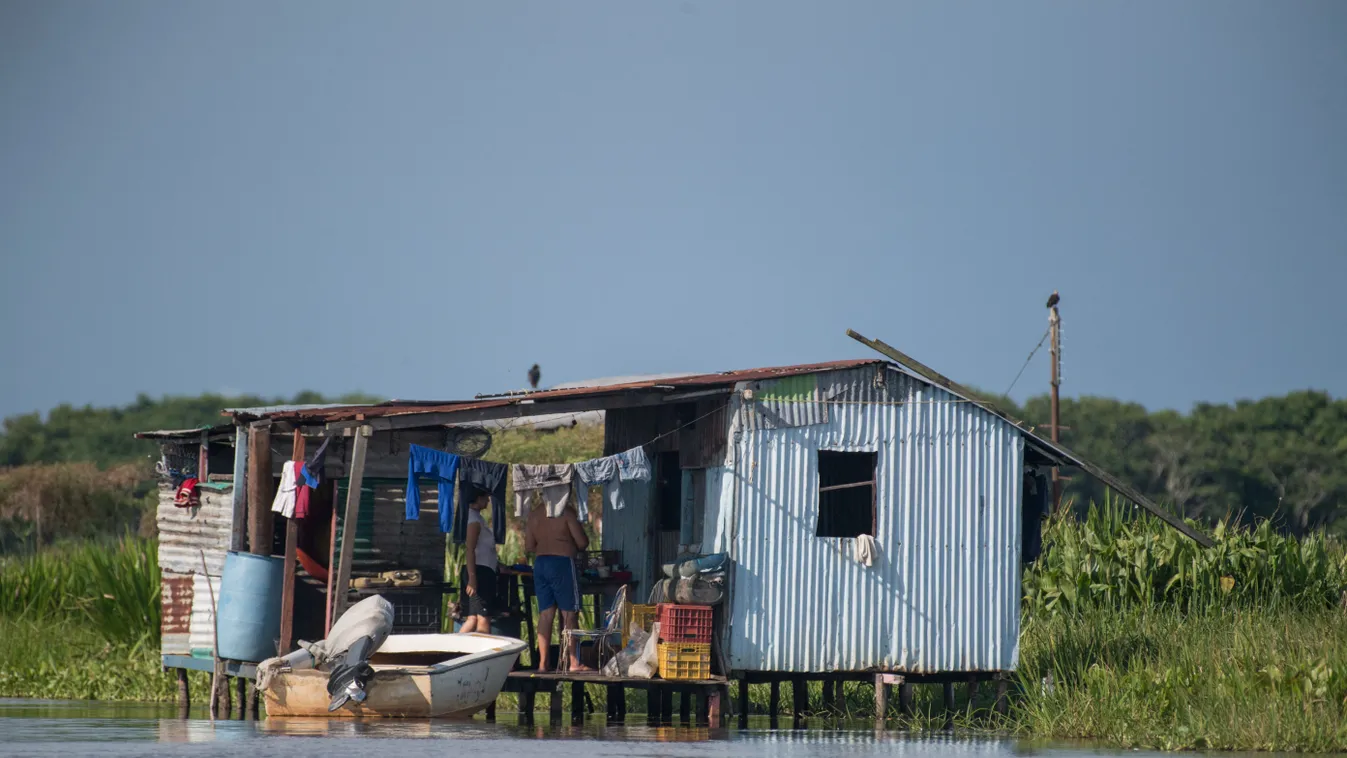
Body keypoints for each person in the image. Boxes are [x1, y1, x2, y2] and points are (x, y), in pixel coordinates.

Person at [524, 498, 589, 671]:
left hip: (540, 564)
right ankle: (574, 662)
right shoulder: (566, 512)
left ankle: (543, 663)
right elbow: (582, 542)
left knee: (545, 615)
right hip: (562, 563)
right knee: (569, 614)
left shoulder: (534, 514)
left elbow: (529, 546)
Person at [458, 488, 499, 634]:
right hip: (479, 572)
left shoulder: (476, 517)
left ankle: (453, 649)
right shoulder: (474, 520)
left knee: (473, 618)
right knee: (483, 618)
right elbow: (470, 549)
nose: (488, 501)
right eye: (486, 497)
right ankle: (483, 654)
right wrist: (472, 578)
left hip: (481, 569)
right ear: (478, 498)